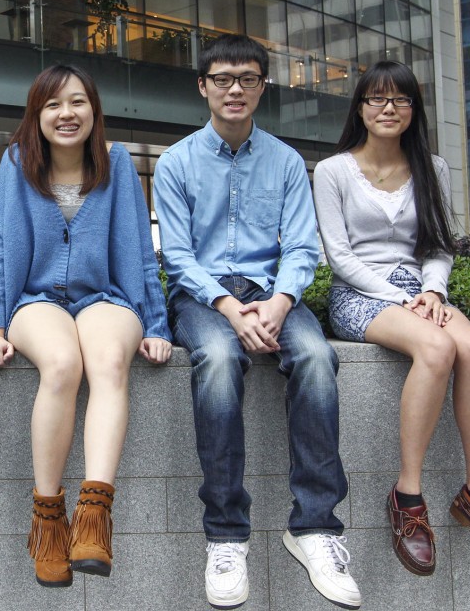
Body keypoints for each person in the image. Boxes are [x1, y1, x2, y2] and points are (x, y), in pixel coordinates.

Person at [153, 34, 362, 610]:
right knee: (220, 359)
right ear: (203, 87)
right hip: (203, 300)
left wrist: (279, 303)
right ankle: (226, 536)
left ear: (262, 86)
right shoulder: (175, 163)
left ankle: (315, 527)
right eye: (223, 79)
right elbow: (177, 256)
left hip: (273, 297)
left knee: (318, 358)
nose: (235, 89)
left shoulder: (288, 161)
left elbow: (301, 247)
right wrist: (226, 307)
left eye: (247, 78)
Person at [313, 60, 470, 576]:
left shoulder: (432, 166)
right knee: (437, 348)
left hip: (421, 293)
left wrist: (432, 289)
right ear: (360, 108)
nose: (389, 108)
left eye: (401, 99)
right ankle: (408, 497)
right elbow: (339, 256)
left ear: (414, 110)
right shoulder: (333, 170)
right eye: (377, 99)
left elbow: (438, 245)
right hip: (359, 294)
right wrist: (398, 297)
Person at [0, 64, 172, 587]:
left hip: (104, 297)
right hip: (34, 299)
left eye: (77, 102)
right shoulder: (18, 161)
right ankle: (48, 521)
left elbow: (138, 249)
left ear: (94, 110)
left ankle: (93, 518)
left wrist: (156, 324)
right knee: (63, 364)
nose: (66, 114)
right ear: (36, 114)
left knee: (110, 361)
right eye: (52, 105)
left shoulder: (115, 162)